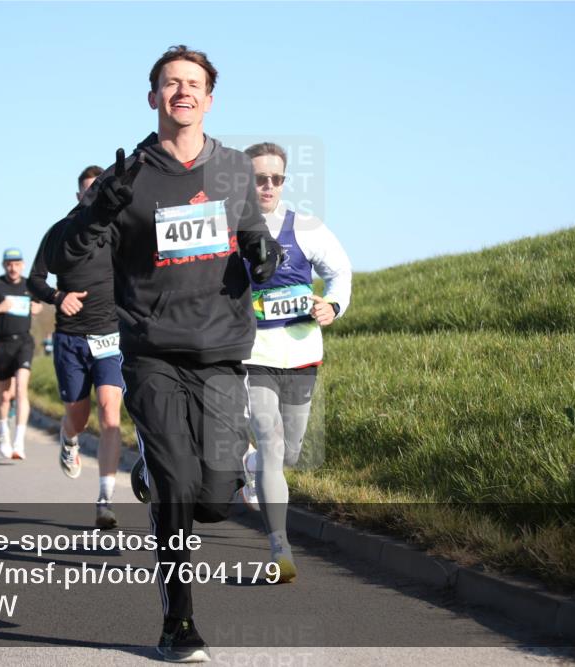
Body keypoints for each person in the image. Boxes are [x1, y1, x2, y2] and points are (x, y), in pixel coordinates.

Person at [46, 45, 282, 663]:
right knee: (178, 487)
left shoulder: (233, 168)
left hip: (221, 348)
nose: (183, 91)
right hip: (151, 349)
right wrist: (101, 208)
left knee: (215, 499)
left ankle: (150, 472)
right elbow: (65, 254)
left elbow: (253, 236)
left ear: (209, 99)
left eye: (193, 83)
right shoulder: (128, 177)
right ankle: (179, 621)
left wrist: (264, 255)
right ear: (153, 97)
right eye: (171, 83)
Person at [240, 142, 352, 583]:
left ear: (284, 182)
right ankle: (280, 549)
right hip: (253, 354)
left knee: (290, 450)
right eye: (259, 179)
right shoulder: (229, 228)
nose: (268, 186)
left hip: (302, 353)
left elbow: (340, 272)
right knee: (270, 441)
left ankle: (252, 467)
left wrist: (333, 306)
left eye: (276, 179)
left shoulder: (306, 226)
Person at [29, 164, 126, 530]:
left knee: (110, 412)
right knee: (78, 417)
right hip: (70, 338)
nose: (93, 195)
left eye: (98, 190)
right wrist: (58, 297)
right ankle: (69, 438)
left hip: (110, 335)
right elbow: (34, 280)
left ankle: (105, 500)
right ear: (78, 195)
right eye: (88, 190)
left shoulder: (116, 229)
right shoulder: (60, 231)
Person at [0, 248, 43, 460]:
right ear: (4, 265)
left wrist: (37, 308)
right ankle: (4, 431)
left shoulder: (30, 285)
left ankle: (19, 442)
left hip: (23, 341)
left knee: (21, 388)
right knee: (4, 395)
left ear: (23, 265)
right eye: (9, 264)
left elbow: (39, 305)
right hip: (0, 344)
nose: (13, 268)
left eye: (17, 264)